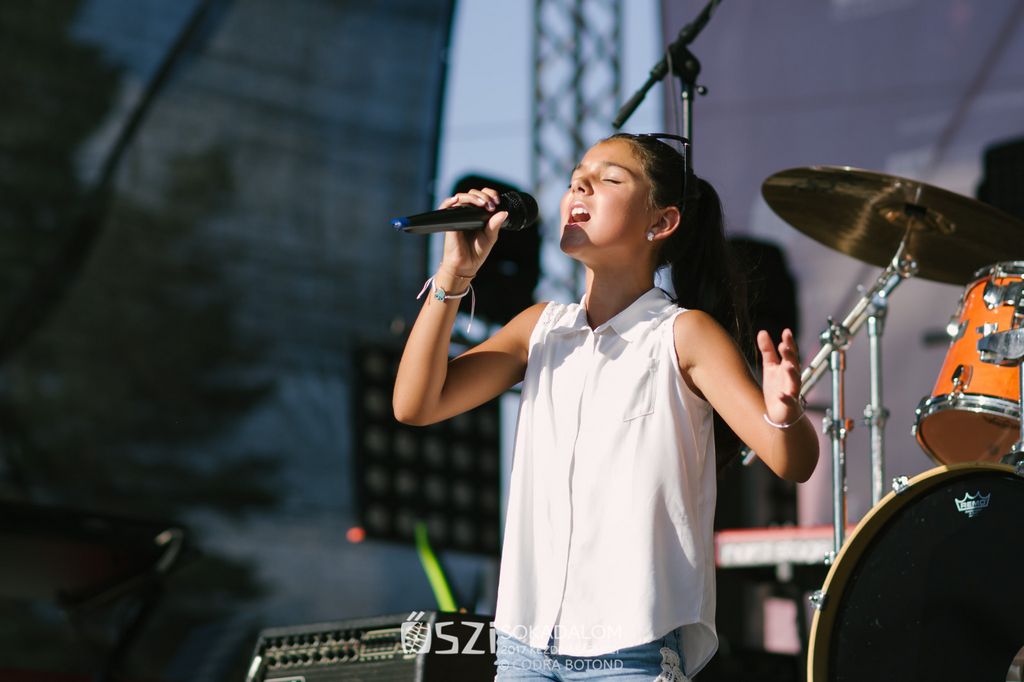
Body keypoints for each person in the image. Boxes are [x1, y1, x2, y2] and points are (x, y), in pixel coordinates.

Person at [393, 133, 819, 680]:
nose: (581, 187)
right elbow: (416, 404)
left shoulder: (682, 334)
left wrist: (784, 413)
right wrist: (454, 276)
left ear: (661, 222)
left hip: (630, 649)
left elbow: (792, 461)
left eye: (608, 179)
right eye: (576, 180)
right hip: (524, 644)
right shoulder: (541, 329)